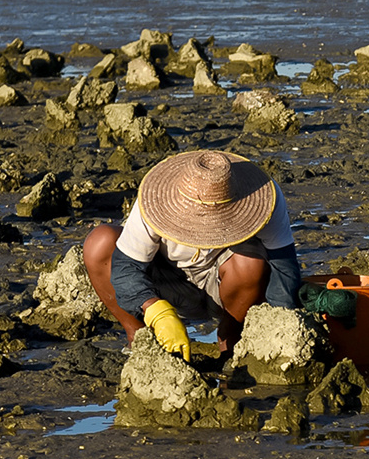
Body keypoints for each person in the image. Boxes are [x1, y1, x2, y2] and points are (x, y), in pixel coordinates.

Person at [83, 149, 301, 360]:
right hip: (167, 279)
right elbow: (125, 269)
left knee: (250, 264)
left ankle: (231, 339)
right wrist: (155, 310)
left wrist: (281, 326)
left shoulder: (263, 197)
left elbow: (283, 268)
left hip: (227, 284)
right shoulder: (153, 199)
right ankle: (139, 338)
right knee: (99, 244)